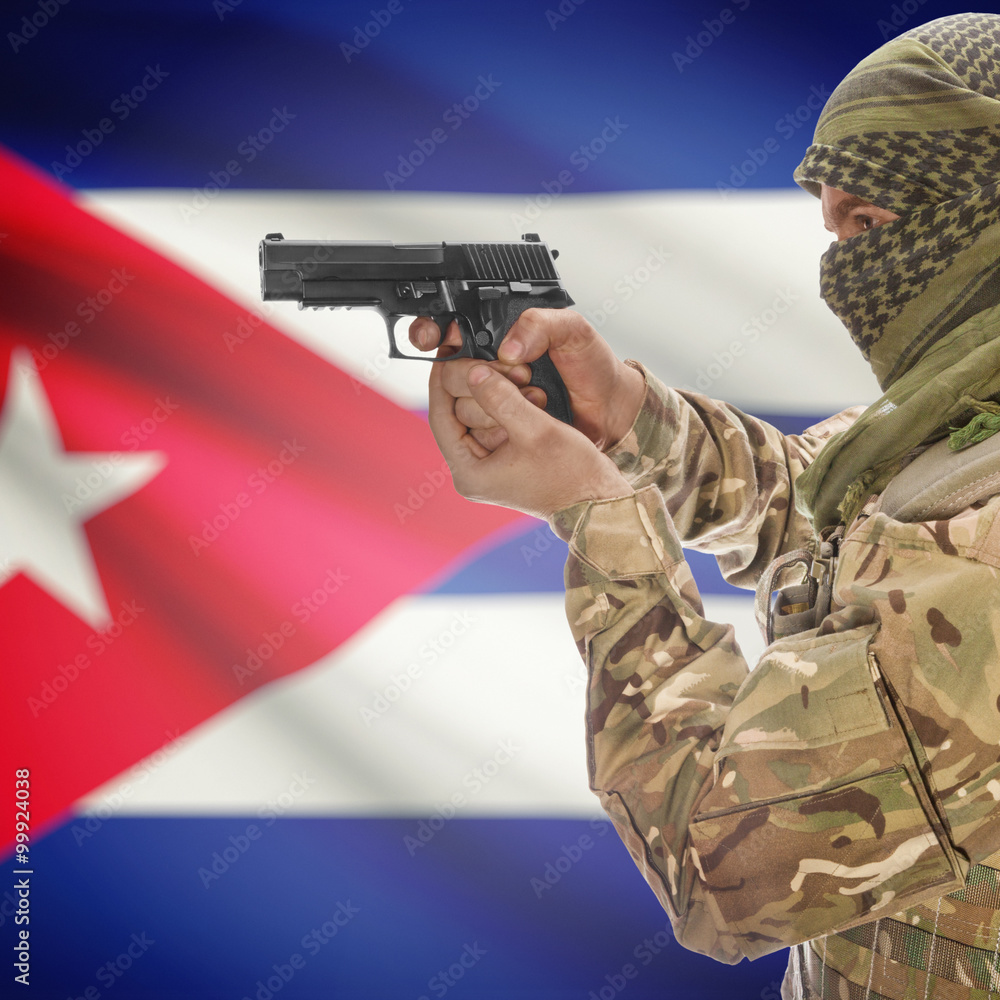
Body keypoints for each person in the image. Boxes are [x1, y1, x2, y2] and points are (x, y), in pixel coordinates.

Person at [411, 12, 1000, 999]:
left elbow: (722, 872)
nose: (844, 271)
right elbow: (838, 515)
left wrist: (597, 514)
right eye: (834, 230)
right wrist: (627, 416)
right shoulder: (963, 421)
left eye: (870, 225)